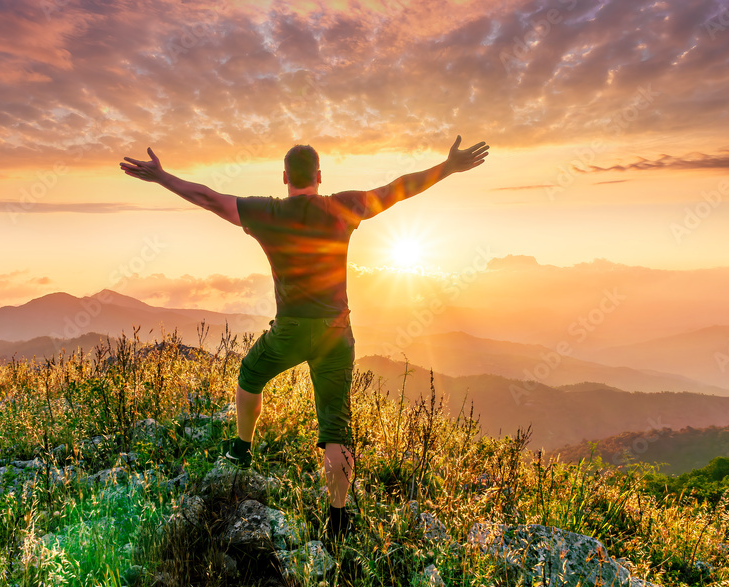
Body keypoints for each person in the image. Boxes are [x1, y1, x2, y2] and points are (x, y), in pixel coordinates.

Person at [120, 136, 488, 543]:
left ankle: (242, 447)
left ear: (284, 177)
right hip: (336, 330)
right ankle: (337, 517)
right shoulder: (343, 206)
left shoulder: (266, 212)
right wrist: (447, 167)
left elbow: (207, 197)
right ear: (318, 176)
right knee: (335, 428)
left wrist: (161, 177)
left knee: (249, 375)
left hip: (291, 329)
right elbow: (397, 189)